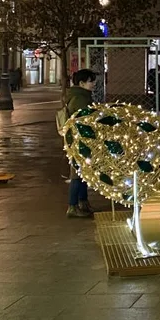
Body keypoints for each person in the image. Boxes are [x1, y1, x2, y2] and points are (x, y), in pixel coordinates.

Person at [65, 69, 97, 218]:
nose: (93, 84)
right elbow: (83, 120)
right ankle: (72, 206)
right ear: (82, 83)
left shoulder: (81, 96)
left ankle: (83, 202)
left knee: (83, 172)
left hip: (80, 139)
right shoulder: (80, 98)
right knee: (77, 173)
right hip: (79, 140)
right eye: (91, 81)